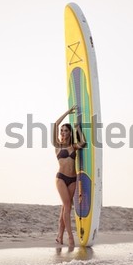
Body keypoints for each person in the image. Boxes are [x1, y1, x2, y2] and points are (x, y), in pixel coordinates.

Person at [53, 105, 86, 247]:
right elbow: (55, 124)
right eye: (62, 131)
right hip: (61, 178)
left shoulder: (73, 146)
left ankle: (59, 236)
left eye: (66, 130)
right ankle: (70, 238)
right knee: (67, 206)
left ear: (69, 133)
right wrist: (68, 112)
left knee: (65, 208)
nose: (63, 132)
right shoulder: (57, 145)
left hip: (73, 179)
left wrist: (78, 128)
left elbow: (83, 143)